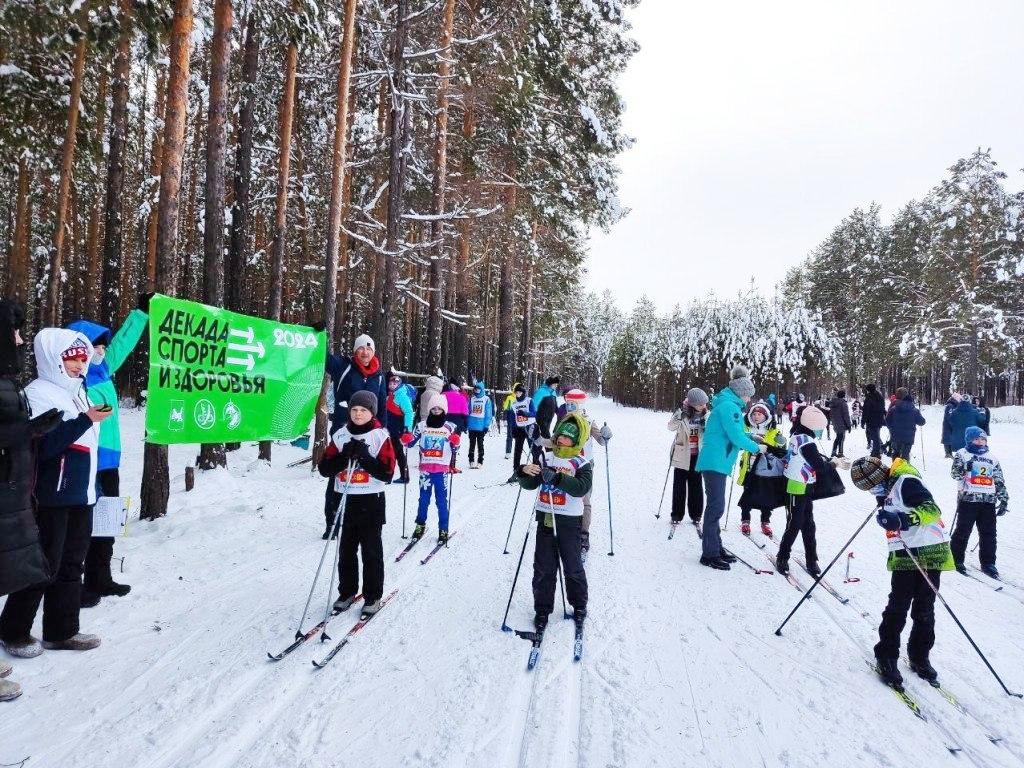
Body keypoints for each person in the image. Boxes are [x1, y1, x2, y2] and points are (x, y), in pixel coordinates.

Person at [0, 328, 113, 660]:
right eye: (73, 359)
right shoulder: (38, 393)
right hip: (51, 496)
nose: (80, 365)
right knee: (42, 566)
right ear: (53, 359)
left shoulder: (79, 392)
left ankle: (62, 631)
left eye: (82, 359)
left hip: (81, 493)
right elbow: (43, 447)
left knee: (71, 564)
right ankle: (13, 630)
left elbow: (86, 445)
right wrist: (84, 420)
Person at [67, 293, 151, 606]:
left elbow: (122, 345)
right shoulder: (77, 379)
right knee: (85, 523)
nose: (102, 352)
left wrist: (141, 314)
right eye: (95, 347)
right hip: (86, 460)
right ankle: (77, 584)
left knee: (108, 520)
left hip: (110, 460)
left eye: (103, 347)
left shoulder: (102, 371)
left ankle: (101, 577)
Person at [0, 302, 62, 702]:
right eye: (15, 333)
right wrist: (26, 432)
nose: (21, 340)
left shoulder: (7, 381)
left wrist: (28, 431)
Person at [850, 455, 955, 688]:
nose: (871, 491)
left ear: (881, 477)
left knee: (924, 606)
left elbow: (932, 510)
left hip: (930, 548)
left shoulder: (906, 482)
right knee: (898, 604)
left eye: (871, 486)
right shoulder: (886, 487)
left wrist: (903, 519)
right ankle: (886, 655)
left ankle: (919, 655)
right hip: (905, 550)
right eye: (867, 489)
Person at [317, 390, 395, 615]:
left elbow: (387, 473)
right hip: (346, 500)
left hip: (371, 500)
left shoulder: (380, 436)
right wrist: (343, 457)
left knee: (371, 551)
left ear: (372, 412)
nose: (358, 414)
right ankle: (348, 591)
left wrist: (364, 457)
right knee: (346, 550)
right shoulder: (341, 435)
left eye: (363, 410)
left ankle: (373, 595)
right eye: (354, 410)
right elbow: (325, 469)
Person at [518, 413, 592, 634]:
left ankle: (579, 605)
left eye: (567, 437)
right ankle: (542, 609)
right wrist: (523, 472)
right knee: (543, 568)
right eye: (559, 435)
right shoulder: (546, 458)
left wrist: (558, 478)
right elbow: (530, 484)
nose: (561, 440)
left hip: (569, 522)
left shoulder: (581, 461)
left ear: (576, 440)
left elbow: (581, 488)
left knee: (572, 566)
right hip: (546, 520)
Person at [695, 366, 763, 570]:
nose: (749, 400)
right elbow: (735, 437)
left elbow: (735, 432)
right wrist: (756, 447)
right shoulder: (729, 407)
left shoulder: (727, 404)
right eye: (748, 396)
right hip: (716, 461)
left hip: (717, 460)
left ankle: (716, 547)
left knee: (716, 506)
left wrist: (752, 437)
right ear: (741, 393)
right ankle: (709, 553)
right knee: (716, 507)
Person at [322, 334, 387, 539]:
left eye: (369, 349)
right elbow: (322, 358)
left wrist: (383, 432)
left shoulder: (378, 375)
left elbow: (382, 404)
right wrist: (319, 335)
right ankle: (332, 522)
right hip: (345, 431)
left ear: (373, 352)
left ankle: (362, 518)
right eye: (361, 348)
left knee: (364, 476)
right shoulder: (344, 366)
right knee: (337, 475)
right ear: (355, 350)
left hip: (370, 435)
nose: (365, 352)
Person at [775, 405, 834, 576]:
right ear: (813, 425)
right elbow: (818, 465)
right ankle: (782, 556)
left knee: (809, 524)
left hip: (805, 485)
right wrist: (833, 464)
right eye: (820, 428)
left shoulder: (800, 435)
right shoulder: (805, 441)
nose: (821, 431)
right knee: (794, 524)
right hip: (795, 486)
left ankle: (811, 559)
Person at [556, 389, 610, 556]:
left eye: (572, 403)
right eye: (567, 402)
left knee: (584, 500)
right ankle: (565, 530)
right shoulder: (563, 420)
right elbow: (554, 442)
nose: (569, 406)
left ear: (580, 404)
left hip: (584, 465)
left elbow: (601, 440)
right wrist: (537, 439)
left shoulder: (588, 421)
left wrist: (606, 435)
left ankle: (583, 535)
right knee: (565, 497)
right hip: (566, 463)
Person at [950, 427, 1008, 578]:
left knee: (989, 533)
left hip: (988, 501)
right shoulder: (962, 454)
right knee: (963, 530)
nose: (980, 442)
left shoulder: (992, 458)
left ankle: (988, 563)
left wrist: (1003, 499)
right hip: (968, 499)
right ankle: (956, 559)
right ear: (969, 440)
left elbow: (999, 479)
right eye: (977, 439)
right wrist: (965, 467)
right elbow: (955, 474)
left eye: (983, 439)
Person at [402, 393, 460, 543]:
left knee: (441, 501)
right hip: (426, 469)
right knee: (423, 499)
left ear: (444, 410)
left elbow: (456, 448)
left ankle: (443, 528)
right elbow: (410, 443)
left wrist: (455, 442)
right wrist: (406, 438)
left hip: (441, 470)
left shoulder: (450, 427)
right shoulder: (421, 426)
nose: (436, 410)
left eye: (439, 408)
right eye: (433, 408)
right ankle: (420, 525)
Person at [735, 400, 787, 537]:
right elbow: (739, 444)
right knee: (747, 496)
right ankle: (745, 520)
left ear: (766, 416)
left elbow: (780, 449)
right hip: (748, 468)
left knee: (767, 497)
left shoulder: (773, 430)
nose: (756, 416)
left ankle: (765, 522)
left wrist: (782, 441)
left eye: (759, 414)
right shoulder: (746, 430)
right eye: (754, 414)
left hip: (766, 471)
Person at [666, 388, 708, 526]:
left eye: (704, 403)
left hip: (698, 455)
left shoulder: (707, 415)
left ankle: (696, 514)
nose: (703, 406)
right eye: (700, 404)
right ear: (693, 404)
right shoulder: (682, 414)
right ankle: (677, 514)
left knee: (696, 485)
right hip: (682, 454)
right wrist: (679, 415)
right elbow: (670, 427)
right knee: (679, 486)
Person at [384, 373, 415, 484]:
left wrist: (407, 429)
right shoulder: (391, 395)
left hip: (398, 429)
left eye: (395, 383)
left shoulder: (401, 395)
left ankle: (389, 476)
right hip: (391, 428)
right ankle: (404, 476)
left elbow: (409, 412)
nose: (392, 385)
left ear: (399, 383)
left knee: (393, 452)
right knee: (397, 453)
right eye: (390, 383)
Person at [884, 388, 924, 460]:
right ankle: (904, 469)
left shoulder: (893, 408)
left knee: (896, 453)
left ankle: (895, 469)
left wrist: (891, 429)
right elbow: (922, 422)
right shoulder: (914, 410)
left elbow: (887, 420)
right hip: (909, 436)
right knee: (905, 455)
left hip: (895, 435)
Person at [507, 383, 536, 482]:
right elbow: (512, 418)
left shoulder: (529, 400)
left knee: (533, 450)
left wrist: (525, 414)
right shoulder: (514, 404)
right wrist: (513, 429)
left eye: (519, 392)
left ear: (523, 392)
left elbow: (534, 413)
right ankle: (516, 472)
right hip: (519, 429)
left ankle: (536, 471)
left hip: (529, 427)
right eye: (516, 392)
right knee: (517, 451)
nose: (518, 394)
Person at [466, 380, 494, 468]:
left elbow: (488, 413)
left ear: (482, 389)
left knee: (480, 444)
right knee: (472, 444)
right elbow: (468, 411)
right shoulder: (472, 398)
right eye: (475, 389)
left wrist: (486, 426)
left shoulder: (486, 399)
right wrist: (466, 423)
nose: (477, 390)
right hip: (472, 425)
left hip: (481, 426)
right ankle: (471, 460)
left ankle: (480, 461)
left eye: (478, 389)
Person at [531, 375, 560, 440]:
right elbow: (534, 404)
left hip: (549, 417)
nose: (556, 386)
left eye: (556, 384)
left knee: (544, 433)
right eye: (555, 384)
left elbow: (555, 404)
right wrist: (533, 415)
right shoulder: (541, 391)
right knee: (545, 433)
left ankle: (538, 448)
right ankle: (549, 449)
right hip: (541, 416)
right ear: (550, 384)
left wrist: (558, 411)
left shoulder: (554, 392)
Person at [862, 383, 886, 458]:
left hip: (871, 420)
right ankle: (875, 451)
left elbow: (866, 410)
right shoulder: (880, 397)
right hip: (879, 419)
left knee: (874, 437)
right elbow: (883, 408)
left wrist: (863, 421)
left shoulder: (869, 398)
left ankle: (876, 453)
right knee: (876, 436)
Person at [828, 389, 852, 458]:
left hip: (835, 423)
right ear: (843, 396)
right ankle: (840, 453)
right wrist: (849, 425)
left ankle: (834, 452)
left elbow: (831, 414)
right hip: (842, 424)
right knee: (841, 438)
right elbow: (846, 415)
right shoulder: (843, 403)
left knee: (838, 438)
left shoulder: (832, 403)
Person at [501, 384, 520, 459]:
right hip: (511, 420)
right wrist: (505, 419)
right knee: (510, 436)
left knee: (519, 437)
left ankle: (518, 452)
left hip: (519, 421)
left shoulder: (523, 399)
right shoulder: (510, 398)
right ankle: (508, 452)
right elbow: (505, 408)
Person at [940, 393, 959, 459]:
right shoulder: (950, 406)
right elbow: (949, 416)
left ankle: (949, 453)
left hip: (950, 425)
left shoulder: (953, 405)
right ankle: (948, 453)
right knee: (947, 439)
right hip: (948, 425)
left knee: (950, 438)